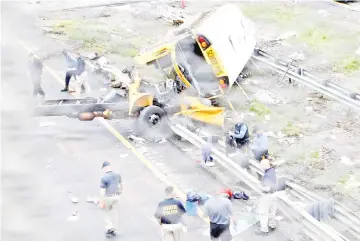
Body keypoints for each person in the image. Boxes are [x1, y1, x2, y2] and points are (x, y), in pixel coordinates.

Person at [99, 161, 123, 237]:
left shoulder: (104, 178)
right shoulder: (118, 175)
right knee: (113, 210)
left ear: (105, 168)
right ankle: (114, 227)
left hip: (108, 198)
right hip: (117, 197)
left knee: (105, 212)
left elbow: (102, 192)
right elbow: (121, 185)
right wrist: (119, 193)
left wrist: (101, 201)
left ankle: (110, 227)